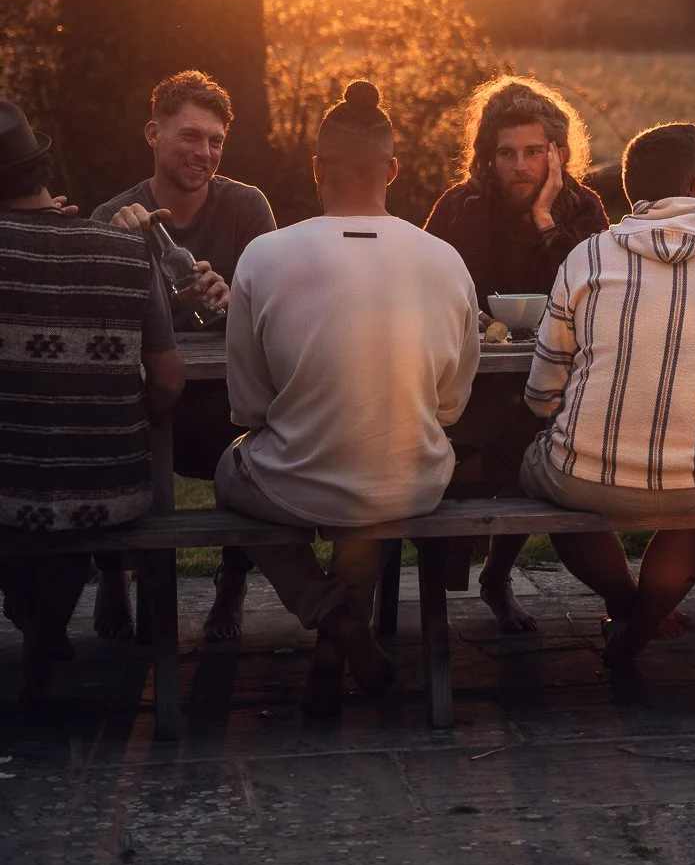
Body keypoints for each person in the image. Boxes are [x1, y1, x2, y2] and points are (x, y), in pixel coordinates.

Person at [215, 80, 479, 715]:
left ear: (316, 170)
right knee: (377, 466)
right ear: (393, 169)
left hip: (301, 483)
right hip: (413, 481)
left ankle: (332, 618)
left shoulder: (264, 256)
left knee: (231, 472)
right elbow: (449, 409)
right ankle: (338, 645)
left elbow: (249, 409)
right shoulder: (446, 259)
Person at [520, 119, 695, 673]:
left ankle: (625, 605)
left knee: (544, 481)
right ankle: (641, 618)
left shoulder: (587, 256)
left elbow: (543, 392)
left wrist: (550, 411)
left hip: (582, 473)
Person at [0, 100, 184, 703]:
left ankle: (34, 623)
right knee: (67, 504)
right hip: (108, 483)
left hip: (8, 479)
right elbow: (169, 380)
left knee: (25, 498)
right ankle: (43, 624)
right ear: (40, 170)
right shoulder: (124, 250)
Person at [91, 70, 275, 643]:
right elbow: (99, 334)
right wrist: (124, 253)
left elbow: (281, 312)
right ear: (153, 133)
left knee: (264, 441)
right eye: (190, 136)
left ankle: (232, 581)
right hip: (143, 402)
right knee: (103, 432)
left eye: (216, 140)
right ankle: (115, 573)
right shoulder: (113, 217)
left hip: (223, 401)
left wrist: (236, 300)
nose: (205, 152)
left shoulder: (247, 207)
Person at [424, 77, 608, 631]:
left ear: (557, 153)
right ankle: (453, 581)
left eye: (533, 152)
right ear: (488, 156)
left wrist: (546, 219)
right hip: (467, 376)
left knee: (535, 434)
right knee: (470, 449)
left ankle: (494, 575)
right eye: (507, 153)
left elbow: (594, 291)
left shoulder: (581, 207)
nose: (520, 166)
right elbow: (424, 280)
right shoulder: (460, 205)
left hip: (554, 381)